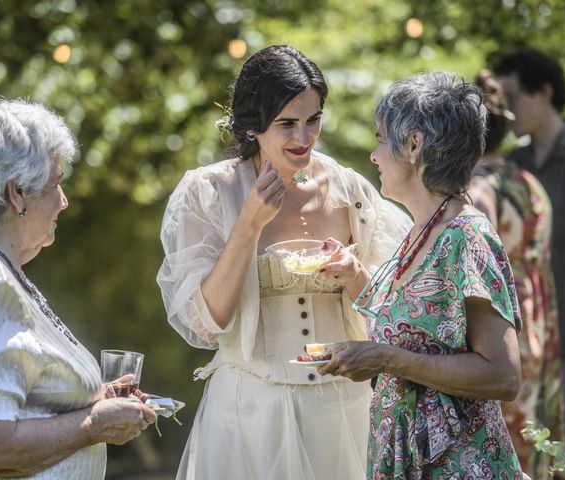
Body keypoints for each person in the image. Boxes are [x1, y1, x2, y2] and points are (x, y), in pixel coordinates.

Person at [157, 44, 411, 480]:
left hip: (342, 411)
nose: (303, 138)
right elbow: (206, 323)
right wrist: (248, 226)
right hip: (249, 412)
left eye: (313, 120)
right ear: (253, 126)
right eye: (287, 124)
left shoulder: (350, 190)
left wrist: (354, 276)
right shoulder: (209, 193)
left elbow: (396, 313)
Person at [0, 99, 157, 479]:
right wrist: (94, 424)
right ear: (16, 193)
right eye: (55, 183)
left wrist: (82, 397)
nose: (64, 200)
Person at [319, 72, 524, 477]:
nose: (374, 155)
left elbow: (504, 375)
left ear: (414, 145)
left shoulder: (466, 236)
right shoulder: (420, 230)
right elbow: (417, 329)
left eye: (381, 139)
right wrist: (357, 276)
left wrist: (386, 359)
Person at [469, 70, 563, 478]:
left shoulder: (479, 190)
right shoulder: (529, 182)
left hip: (508, 317)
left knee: (508, 436)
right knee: (537, 426)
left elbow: (480, 264)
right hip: (540, 313)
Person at [492, 47, 565, 439]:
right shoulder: (513, 166)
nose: (505, 110)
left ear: (543, 92)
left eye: (512, 97)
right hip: (531, 343)